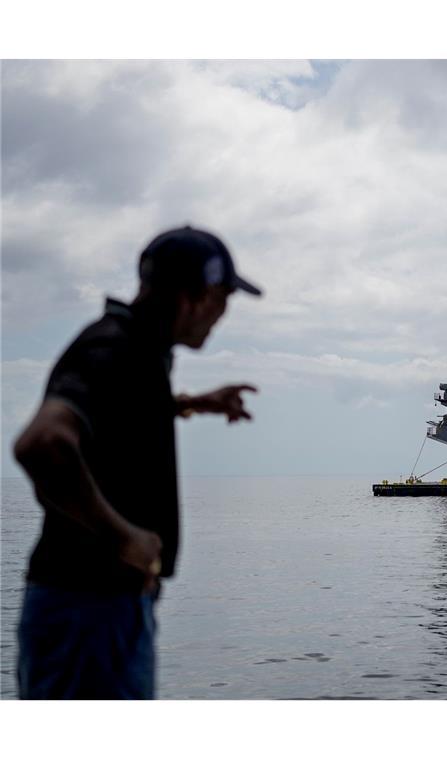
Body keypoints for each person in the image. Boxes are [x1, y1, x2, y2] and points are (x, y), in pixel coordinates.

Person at [12, 226, 262, 699]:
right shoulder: (113, 348)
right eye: (224, 299)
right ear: (194, 297)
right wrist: (124, 537)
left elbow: (117, 410)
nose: (223, 315)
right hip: (88, 613)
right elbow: (41, 444)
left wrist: (190, 403)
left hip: (102, 610)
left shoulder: (138, 351)